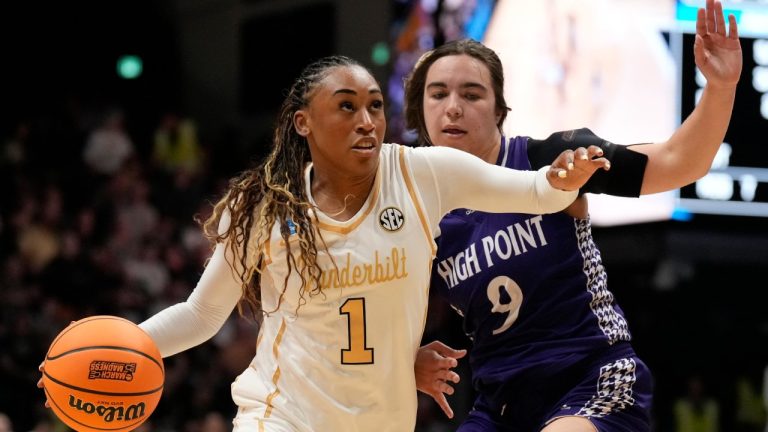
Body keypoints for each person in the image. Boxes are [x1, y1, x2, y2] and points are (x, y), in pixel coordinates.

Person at [39, 55, 606, 431]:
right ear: (303, 123)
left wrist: (562, 179)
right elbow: (202, 312)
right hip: (280, 414)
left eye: (375, 107)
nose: (367, 121)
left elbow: (536, 192)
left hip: (381, 419)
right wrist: (117, 354)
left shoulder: (422, 172)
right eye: (346, 107)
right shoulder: (263, 203)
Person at [406, 0, 742, 430]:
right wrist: (406, 358)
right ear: (422, 112)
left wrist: (721, 86)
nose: (453, 107)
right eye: (439, 94)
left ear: (499, 111)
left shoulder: (549, 159)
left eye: (471, 94)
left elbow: (680, 162)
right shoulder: (419, 210)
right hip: (501, 402)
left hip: (591, 378)